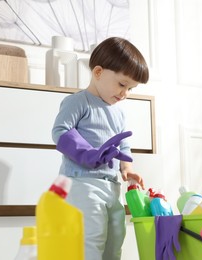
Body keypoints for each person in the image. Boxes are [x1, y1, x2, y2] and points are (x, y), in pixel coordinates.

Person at [52, 36, 149, 260]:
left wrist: (127, 167)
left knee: (116, 237)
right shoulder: (78, 102)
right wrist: (88, 154)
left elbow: (123, 143)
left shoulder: (118, 112)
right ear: (98, 72)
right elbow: (61, 131)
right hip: (82, 183)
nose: (124, 93)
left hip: (111, 186)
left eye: (130, 89)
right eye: (122, 84)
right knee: (91, 237)